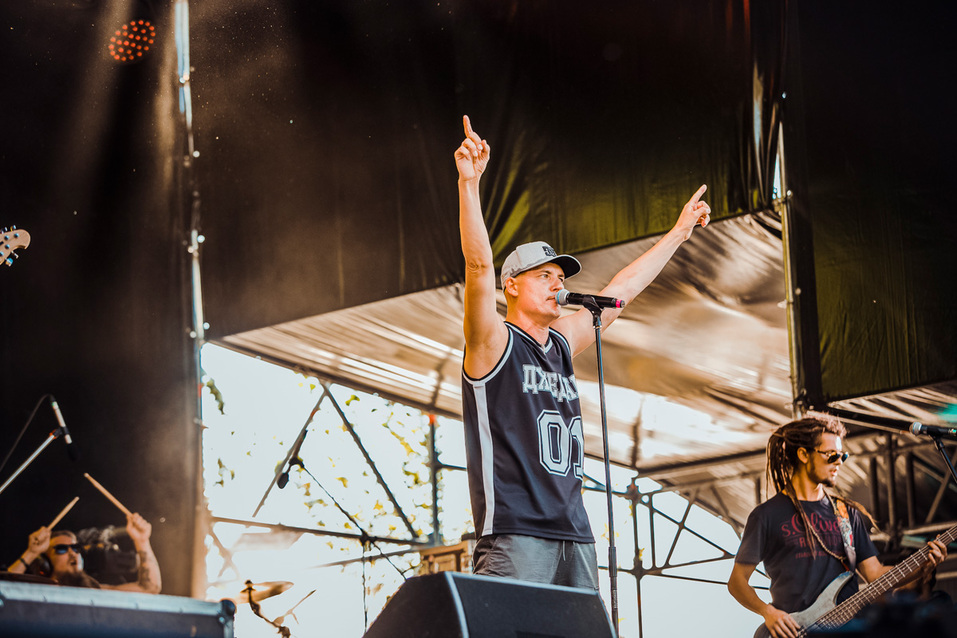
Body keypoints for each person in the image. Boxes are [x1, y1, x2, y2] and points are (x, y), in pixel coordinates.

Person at [454, 115, 711, 589]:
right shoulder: (493, 342)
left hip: (576, 533)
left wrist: (679, 232)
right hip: (516, 533)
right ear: (511, 285)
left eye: (561, 278)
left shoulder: (562, 342)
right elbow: (477, 265)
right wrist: (469, 185)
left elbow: (621, 291)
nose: (558, 285)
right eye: (544, 277)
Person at [727, 415, 948, 638]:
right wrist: (768, 612)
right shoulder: (767, 515)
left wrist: (923, 565)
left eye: (843, 455)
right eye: (831, 455)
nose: (839, 461)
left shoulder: (847, 513)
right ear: (804, 454)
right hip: (794, 631)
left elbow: (875, 575)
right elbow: (737, 582)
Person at [6, 512, 162, 593]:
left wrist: (142, 541)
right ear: (45, 563)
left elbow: (149, 587)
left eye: (76, 548)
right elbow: (3, 590)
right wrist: (32, 552)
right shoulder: (37, 593)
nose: (73, 553)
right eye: (61, 549)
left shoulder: (94, 591)